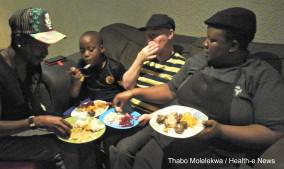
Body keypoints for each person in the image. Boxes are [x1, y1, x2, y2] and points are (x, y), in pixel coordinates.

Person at [111, 7, 284, 169]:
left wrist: (221, 131)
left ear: (234, 46)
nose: (205, 44)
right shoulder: (199, 60)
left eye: (213, 40)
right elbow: (171, 89)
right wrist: (134, 92)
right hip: (173, 133)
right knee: (142, 160)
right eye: (206, 37)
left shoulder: (261, 76)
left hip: (221, 151)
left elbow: (274, 132)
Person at [0, 7, 96, 169]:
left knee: (82, 135)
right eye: (40, 45)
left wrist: (53, 119)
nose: (46, 51)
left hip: (26, 126)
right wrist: (35, 121)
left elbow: (35, 105)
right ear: (20, 41)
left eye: (47, 45)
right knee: (63, 147)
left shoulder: (32, 64)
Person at [122, 14, 186, 114]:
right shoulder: (145, 58)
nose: (149, 41)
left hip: (153, 118)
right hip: (130, 111)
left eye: (154, 36)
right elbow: (127, 85)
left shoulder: (182, 64)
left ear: (170, 34)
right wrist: (139, 60)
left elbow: (173, 98)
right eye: (147, 36)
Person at [69, 31, 125, 103]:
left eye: (91, 49)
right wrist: (77, 80)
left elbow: (126, 90)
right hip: (92, 106)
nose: (86, 54)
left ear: (102, 48)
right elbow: (74, 94)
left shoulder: (114, 67)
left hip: (113, 105)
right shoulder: (82, 65)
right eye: (82, 50)